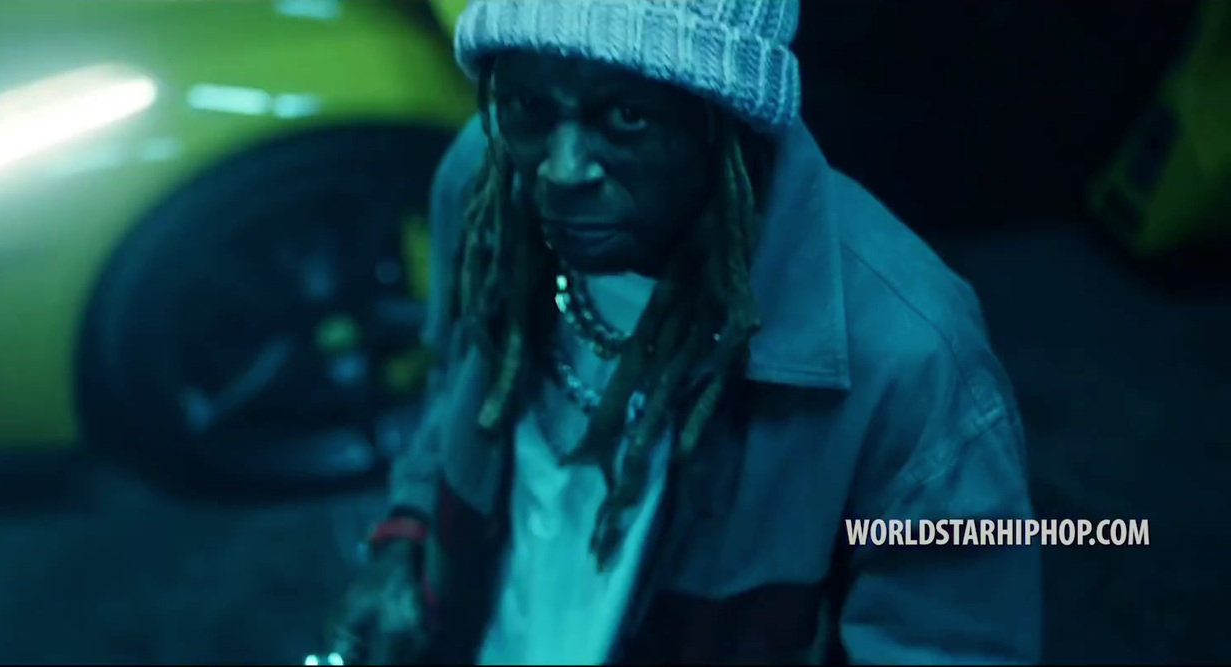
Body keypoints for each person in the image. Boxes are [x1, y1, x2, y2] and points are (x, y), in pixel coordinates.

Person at [330, 0, 1042, 663]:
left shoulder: (909, 358)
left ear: (725, 117)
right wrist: (408, 537)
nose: (562, 168)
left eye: (627, 119)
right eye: (526, 107)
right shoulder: (483, 185)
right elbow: (454, 387)